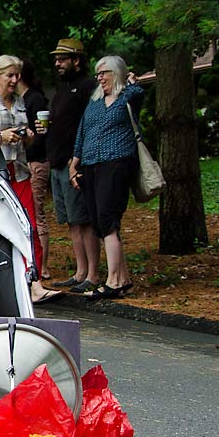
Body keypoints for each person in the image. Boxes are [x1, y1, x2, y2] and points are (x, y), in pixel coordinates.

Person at [0, 54, 60, 305]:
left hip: (18, 171)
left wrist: (28, 135)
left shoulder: (21, 102)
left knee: (28, 226)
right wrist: (0, 136)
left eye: (17, 75)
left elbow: (25, 140)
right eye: (9, 74)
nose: (14, 80)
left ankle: (35, 283)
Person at [69, 55, 143, 300]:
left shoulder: (127, 98)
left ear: (117, 73)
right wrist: (75, 162)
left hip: (116, 163)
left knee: (108, 218)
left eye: (105, 73)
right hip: (91, 164)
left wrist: (130, 83)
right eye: (98, 73)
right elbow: (82, 131)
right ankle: (123, 279)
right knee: (100, 222)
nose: (100, 78)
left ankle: (113, 281)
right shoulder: (95, 102)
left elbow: (139, 92)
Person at [47, 39, 99, 293]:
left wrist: (77, 159)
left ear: (76, 60)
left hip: (74, 162)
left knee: (83, 219)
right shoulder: (63, 89)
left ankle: (93, 273)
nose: (57, 63)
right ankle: (80, 271)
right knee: (70, 221)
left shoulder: (88, 86)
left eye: (62, 59)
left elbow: (90, 125)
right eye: (56, 59)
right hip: (56, 162)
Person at [19, 57, 51, 279]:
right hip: (23, 163)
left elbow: (41, 135)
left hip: (35, 161)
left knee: (36, 216)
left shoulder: (35, 99)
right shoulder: (18, 100)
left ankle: (43, 268)